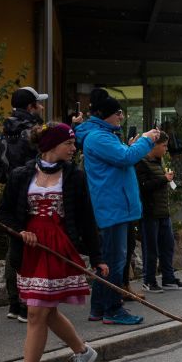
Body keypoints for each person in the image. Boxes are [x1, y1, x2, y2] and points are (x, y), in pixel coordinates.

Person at [0, 122, 108, 362]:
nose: (73, 148)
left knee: (37, 313)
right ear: (51, 145)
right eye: (68, 143)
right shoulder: (21, 175)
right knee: (46, 312)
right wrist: (21, 231)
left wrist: (97, 257)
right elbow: (4, 214)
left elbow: (86, 218)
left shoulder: (74, 177)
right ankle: (83, 352)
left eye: (73, 143)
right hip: (31, 250)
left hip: (58, 248)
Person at [74, 94, 161, 324]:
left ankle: (98, 308)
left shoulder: (103, 135)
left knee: (110, 259)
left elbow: (122, 156)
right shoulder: (98, 137)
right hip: (112, 206)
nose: (121, 116)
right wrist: (146, 140)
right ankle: (113, 310)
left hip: (115, 205)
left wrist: (135, 145)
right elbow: (125, 158)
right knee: (114, 260)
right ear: (104, 115)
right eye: (117, 113)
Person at [0, 87, 49, 323]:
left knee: (14, 245)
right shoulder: (34, 132)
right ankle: (29, 303)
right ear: (31, 107)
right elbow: (46, 160)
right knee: (32, 244)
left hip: (10, 194)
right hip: (32, 193)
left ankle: (14, 303)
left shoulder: (4, 133)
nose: (42, 107)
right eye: (39, 103)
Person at [136, 131, 182, 293]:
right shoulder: (141, 163)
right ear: (154, 145)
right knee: (151, 248)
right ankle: (149, 280)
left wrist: (166, 180)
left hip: (163, 212)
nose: (166, 149)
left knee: (168, 246)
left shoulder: (159, 161)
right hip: (150, 213)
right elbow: (143, 187)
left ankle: (168, 278)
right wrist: (163, 179)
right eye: (164, 146)